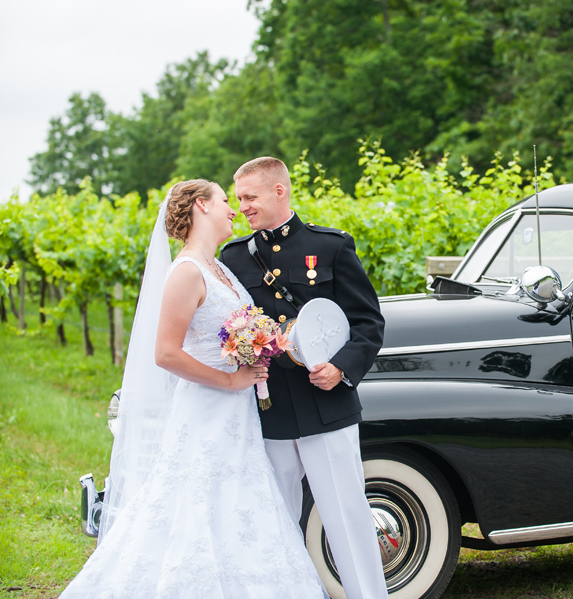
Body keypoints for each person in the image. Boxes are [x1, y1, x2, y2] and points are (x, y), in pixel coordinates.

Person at [59, 180, 326, 598]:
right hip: (205, 409)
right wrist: (230, 378)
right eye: (225, 200)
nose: (233, 209)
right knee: (196, 502)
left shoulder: (218, 267)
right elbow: (165, 353)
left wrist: (264, 344)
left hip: (238, 414)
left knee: (239, 505)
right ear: (202, 206)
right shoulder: (186, 271)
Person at [220, 157, 388, 599]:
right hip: (268, 408)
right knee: (275, 518)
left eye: (250, 197)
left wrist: (342, 368)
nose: (243, 207)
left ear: (280, 191)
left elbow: (368, 323)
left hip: (325, 404)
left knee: (347, 516)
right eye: (238, 199)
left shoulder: (330, 246)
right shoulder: (234, 257)